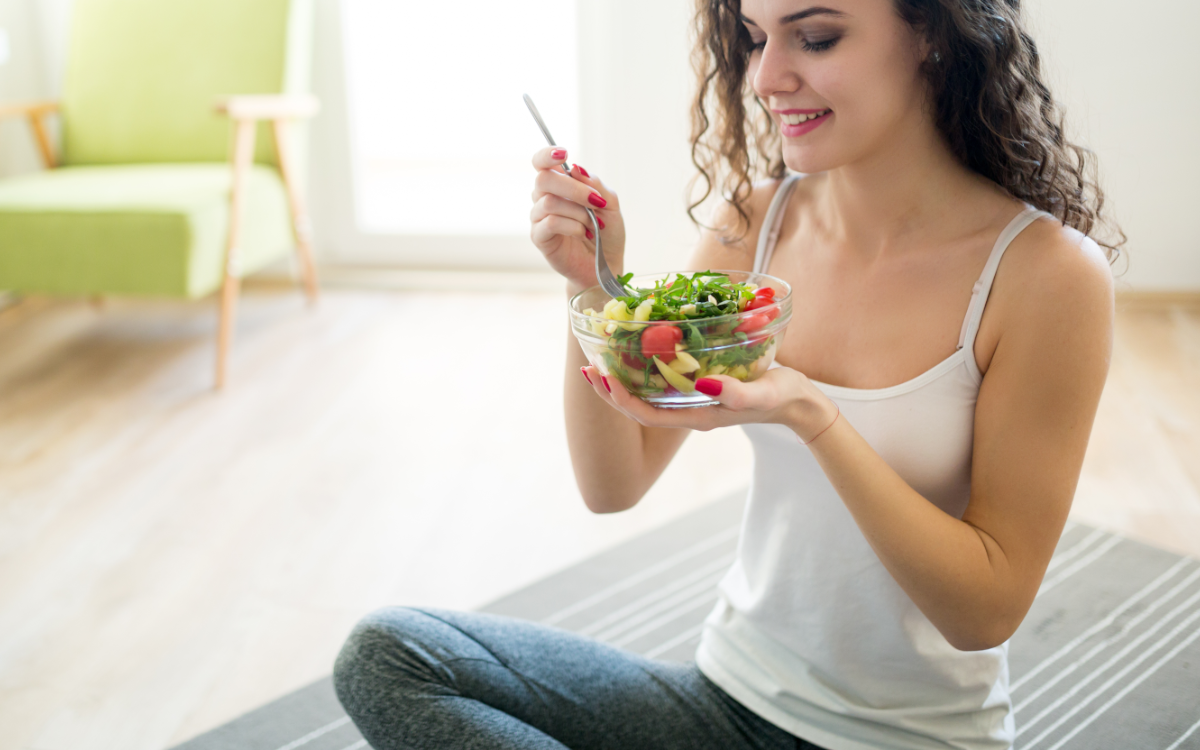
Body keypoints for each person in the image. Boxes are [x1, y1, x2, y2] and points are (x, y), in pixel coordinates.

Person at [333, 0, 1121, 747]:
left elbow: (984, 611)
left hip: (903, 739)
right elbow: (615, 484)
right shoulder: (756, 221)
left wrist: (812, 415)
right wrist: (593, 284)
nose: (767, 76)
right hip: (729, 701)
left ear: (933, 34)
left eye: (815, 38)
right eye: (753, 36)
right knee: (389, 655)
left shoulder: (1046, 276)